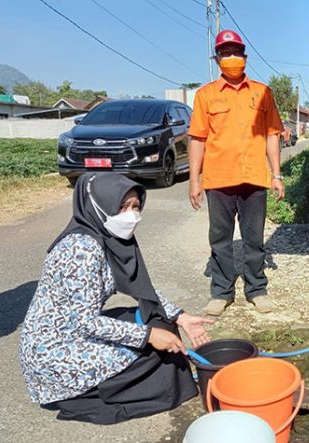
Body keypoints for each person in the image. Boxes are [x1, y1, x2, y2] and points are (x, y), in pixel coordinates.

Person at [19, 173, 213, 425]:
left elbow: (142, 291)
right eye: (121, 207)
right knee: (155, 347)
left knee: (159, 320)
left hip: (73, 330)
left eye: (135, 207)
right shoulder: (82, 249)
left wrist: (180, 316)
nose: (130, 215)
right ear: (98, 206)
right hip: (54, 353)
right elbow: (86, 322)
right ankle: (88, 389)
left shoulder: (108, 236)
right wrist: (148, 336)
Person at [188, 30, 285, 316]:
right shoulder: (205, 95)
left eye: (235, 52)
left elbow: (272, 135)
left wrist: (276, 175)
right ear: (217, 58)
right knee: (220, 238)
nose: (231, 58)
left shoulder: (262, 92)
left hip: (254, 177)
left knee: (254, 237)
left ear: (244, 56)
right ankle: (221, 291)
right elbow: (198, 139)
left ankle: (256, 289)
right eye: (224, 53)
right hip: (218, 179)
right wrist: (194, 179)